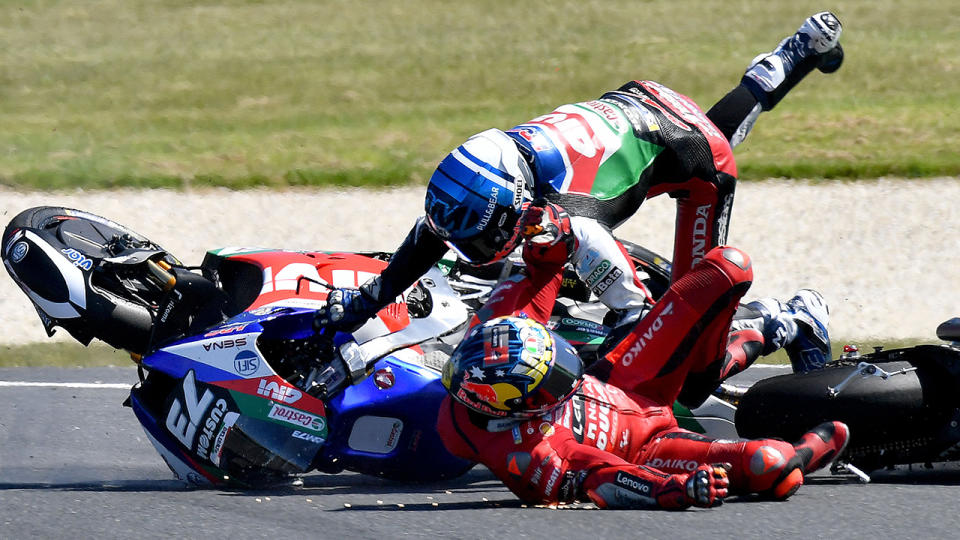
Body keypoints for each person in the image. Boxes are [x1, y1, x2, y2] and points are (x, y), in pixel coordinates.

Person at [318, 12, 843, 375]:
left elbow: (634, 319)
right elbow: (430, 237)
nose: (471, 251)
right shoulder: (496, 169)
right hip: (637, 107)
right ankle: (785, 60)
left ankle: (791, 316)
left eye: (484, 237)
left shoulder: (573, 217)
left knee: (689, 354)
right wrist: (369, 300)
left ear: (519, 201)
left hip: (693, 157)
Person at [434, 208, 849, 509]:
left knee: (729, 266)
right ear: (514, 408)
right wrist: (678, 489)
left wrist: (546, 234)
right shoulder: (530, 460)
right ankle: (803, 450)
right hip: (649, 448)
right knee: (769, 464)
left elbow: (541, 272)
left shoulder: (495, 333)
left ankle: (774, 328)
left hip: (623, 377)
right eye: (552, 383)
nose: (566, 376)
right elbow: (606, 479)